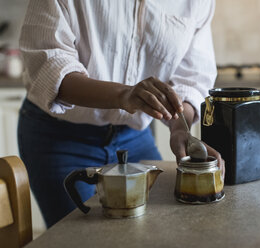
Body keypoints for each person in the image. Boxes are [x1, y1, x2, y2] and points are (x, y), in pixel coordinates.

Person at [18, 0, 224, 228]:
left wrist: (180, 128)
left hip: (133, 139)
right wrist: (124, 95)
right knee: (79, 237)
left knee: (152, 230)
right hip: (60, 139)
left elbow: (191, 79)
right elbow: (49, 67)